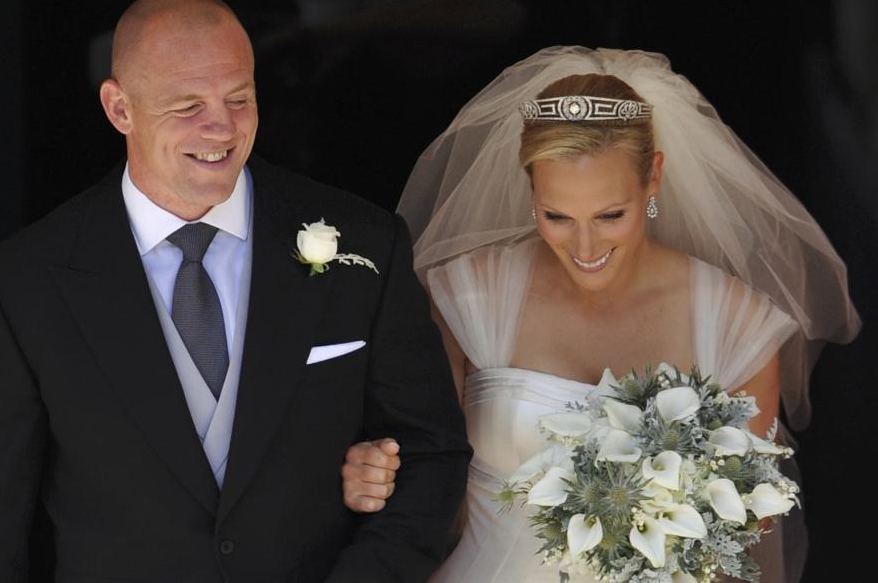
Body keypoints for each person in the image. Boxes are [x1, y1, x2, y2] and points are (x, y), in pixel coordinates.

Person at [0, 0, 470, 583]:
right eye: (188, 106)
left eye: (239, 97)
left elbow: (430, 455)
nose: (221, 128)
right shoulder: (23, 284)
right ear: (119, 109)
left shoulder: (368, 243)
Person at [341, 47, 860, 582]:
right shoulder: (468, 297)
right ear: (530, 189)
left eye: (610, 215)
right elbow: (426, 485)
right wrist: (376, 474)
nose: (584, 246)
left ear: (653, 177)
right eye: (556, 216)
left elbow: (746, 538)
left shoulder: (737, 326)